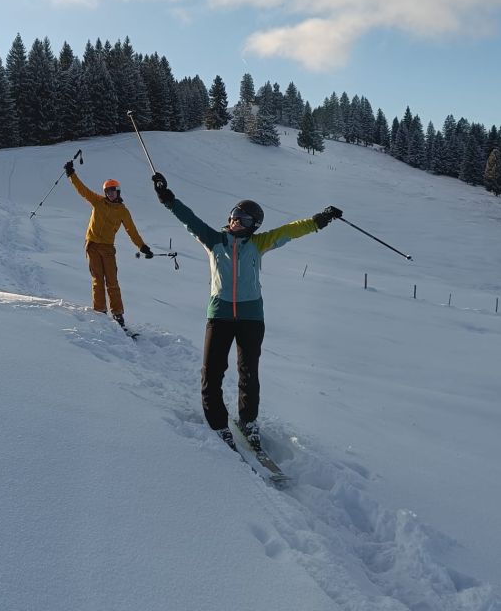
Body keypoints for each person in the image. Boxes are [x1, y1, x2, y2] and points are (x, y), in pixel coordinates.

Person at [151, 171, 342, 450]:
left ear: (254, 225)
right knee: (212, 372)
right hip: (219, 315)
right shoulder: (214, 240)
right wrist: (168, 199)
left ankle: (248, 421)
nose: (235, 221)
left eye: (243, 219)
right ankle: (218, 423)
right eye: (234, 215)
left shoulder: (258, 243)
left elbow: (289, 231)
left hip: (251, 318)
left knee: (249, 374)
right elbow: (189, 220)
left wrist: (319, 220)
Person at [64, 159, 153, 328]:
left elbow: (131, 230)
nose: (110, 194)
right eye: (107, 191)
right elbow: (83, 190)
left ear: (118, 192)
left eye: (113, 191)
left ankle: (118, 315)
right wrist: (71, 174)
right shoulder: (98, 201)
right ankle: (100, 312)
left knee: (112, 282)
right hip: (92, 245)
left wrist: (142, 246)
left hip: (107, 248)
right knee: (97, 280)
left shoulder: (122, 211)